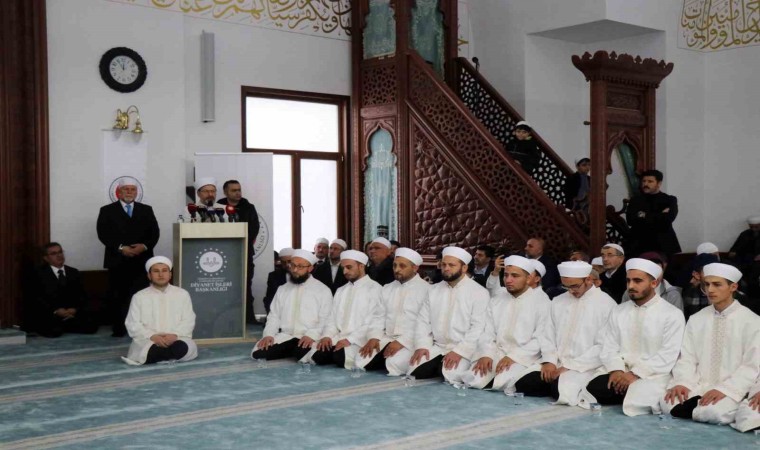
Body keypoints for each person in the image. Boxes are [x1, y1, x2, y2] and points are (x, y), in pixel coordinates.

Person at [581, 258, 685, 416]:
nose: (631, 286)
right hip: (621, 370)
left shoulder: (672, 314)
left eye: (637, 281)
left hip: (651, 374)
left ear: (654, 283)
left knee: (638, 394)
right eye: (628, 281)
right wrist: (616, 370)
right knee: (595, 388)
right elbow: (609, 345)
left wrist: (635, 374)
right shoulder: (619, 310)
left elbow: (668, 354)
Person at [660, 263, 760, 428]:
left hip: (731, 387)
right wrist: (683, 382)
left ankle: (699, 407)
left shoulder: (752, 321)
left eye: (717, 284)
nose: (710, 290)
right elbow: (687, 357)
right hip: (698, 384)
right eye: (707, 284)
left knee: (712, 412)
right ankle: (695, 405)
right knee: (668, 403)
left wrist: (725, 390)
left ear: (733, 287)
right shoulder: (697, 319)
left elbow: (751, 365)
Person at [514, 261, 616, 406]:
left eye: (575, 286)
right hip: (557, 361)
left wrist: (569, 366)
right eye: (566, 286)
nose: (571, 291)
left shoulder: (607, 304)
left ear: (588, 280)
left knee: (561, 390)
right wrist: (550, 361)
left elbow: (603, 345)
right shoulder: (558, 301)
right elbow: (547, 335)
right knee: (524, 384)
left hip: (583, 366)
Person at [464, 256, 550, 392]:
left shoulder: (543, 303)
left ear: (529, 278)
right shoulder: (497, 299)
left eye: (515, 276)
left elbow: (541, 338)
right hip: (496, 352)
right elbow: (487, 331)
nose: (508, 280)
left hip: (522, 357)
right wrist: (486, 354)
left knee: (506, 382)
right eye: (506, 275)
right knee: (474, 379)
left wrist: (513, 357)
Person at [409, 247, 489, 382]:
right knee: (414, 370)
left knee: (451, 374)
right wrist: (422, 345)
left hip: (463, 348)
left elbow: (478, 327)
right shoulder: (433, 290)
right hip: (437, 347)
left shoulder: (479, 292)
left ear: (464, 268)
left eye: (451, 265)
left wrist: (460, 351)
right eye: (444, 265)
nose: (446, 268)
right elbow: (423, 321)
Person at [96, 177, 160, 337]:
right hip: (117, 261)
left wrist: (143, 246)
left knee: (141, 296)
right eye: (126, 189)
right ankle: (119, 328)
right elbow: (103, 234)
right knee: (118, 296)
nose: (129, 192)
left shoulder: (146, 209)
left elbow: (154, 233)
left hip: (141, 261)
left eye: (133, 190)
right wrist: (121, 248)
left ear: (137, 192)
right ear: (119, 192)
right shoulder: (107, 210)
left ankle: (143, 328)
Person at [355, 248, 430, 376]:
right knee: (360, 360)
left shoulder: (426, 290)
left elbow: (425, 324)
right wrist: (374, 337)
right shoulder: (387, 288)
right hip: (387, 337)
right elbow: (378, 316)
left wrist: (402, 342)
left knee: (395, 363)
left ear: (415, 268)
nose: (397, 269)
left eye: (402, 266)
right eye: (395, 265)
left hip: (411, 340)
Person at [251, 250, 333, 362]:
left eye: (300, 266)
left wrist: (311, 335)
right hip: (286, 336)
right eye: (293, 265)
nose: (294, 270)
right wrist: (268, 335)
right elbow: (274, 316)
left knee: (306, 354)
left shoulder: (323, 290)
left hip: (309, 336)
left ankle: (293, 349)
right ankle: (292, 348)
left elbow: (326, 318)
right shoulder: (282, 289)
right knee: (258, 353)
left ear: (310, 268)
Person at [310, 250, 383, 369]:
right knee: (318, 356)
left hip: (359, 340)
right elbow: (332, 318)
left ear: (361, 266)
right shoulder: (341, 290)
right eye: (343, 268)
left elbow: (373, 322)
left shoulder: (375, 289)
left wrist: (349, 340)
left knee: (339, 357)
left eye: (349, 267)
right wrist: (327, 336)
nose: (345, 272)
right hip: (339, 337)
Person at [122, 257, 197, 365]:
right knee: (148, 350)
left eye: (164, 271)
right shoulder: (139, 297)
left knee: (182, 347)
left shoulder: (182, 294)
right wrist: (152, 336)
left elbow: (188, 320)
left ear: (170, 274)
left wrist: (174, 335)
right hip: (148, 340)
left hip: (176, 338)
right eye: (156, 271)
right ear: (149, 275)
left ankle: (160, 356)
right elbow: (132, 323)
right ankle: (166, 355)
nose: (161, 275)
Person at [25, 242, 98, 337]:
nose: (59, 255)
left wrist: (74, 309)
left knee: (91, 325)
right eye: (54, 253)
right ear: (46, 258)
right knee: (52, 330)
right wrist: (55, 310)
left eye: (60, 252)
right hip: (52, 313)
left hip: (71, 313)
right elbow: (37, 298)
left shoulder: (73, 272)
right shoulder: (38, 274)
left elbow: (82, 295)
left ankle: (66, 325)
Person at [218, 179, 260, 324]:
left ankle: (248, 318)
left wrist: (242, 242)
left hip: (244, 253)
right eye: (234, 190)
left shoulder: (249, 207)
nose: (238, 193)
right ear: (225, 192)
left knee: (245, 285)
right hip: (223, 253)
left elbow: (254, 228)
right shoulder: (218, 207)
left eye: (239, 190)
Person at [625, 169, 681, 258]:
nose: (645, 184)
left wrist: (644, 215)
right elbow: (630, 220)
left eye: (650, 181)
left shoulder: (669, 200)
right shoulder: (635, 200)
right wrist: (660, 215)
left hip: (663, 244)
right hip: (638, 244)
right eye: (644, 181)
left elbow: (668, 219)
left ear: (659, 183)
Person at [729, 216, 760, 299]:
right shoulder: (744, 234)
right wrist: (733, 252)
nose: (754, 229)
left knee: (753, 276)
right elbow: (735, 248)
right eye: (752, 227)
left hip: (757, 263)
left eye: (756, 227)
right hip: (744, 260)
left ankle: (754, 298)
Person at [263, 248, 294, 315]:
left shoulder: (303, 275)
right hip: (279, 312)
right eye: (284, 262)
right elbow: (270, 298)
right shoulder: (273, 276)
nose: (287, 265)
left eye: (289, 261)